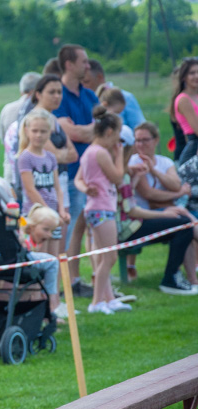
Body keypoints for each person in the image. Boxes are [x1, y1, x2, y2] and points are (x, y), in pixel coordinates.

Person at [53, 44, 98, 298]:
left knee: (83, 229)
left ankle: (77, 278)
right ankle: (67, 285)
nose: (88, 66)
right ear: (69, 64)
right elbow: (71, 133)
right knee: (70, 231)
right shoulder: (58, 95)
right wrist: (89, 130)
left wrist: (84, 131)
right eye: (84, 61)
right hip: (69, 174)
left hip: (92, 174)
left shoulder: (89, 95)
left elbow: (103, 131)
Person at [75, 107, 129, 314]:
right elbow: (117, 177)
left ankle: (108, 298)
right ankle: (97, 302)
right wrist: (120, 154)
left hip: (96, 207)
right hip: (102, 208)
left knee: (102, 256)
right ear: (109, 132)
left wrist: (85, 188)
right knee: (109, 257)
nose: (118, 138)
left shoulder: (89, 152)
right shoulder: (100, 153)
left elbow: (78, 178)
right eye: (118, 133)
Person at [129, 122, 196, 284]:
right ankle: (181, 279)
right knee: (186, 223)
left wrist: (154, 171)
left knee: (187, 224)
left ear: (156, 140)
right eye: (137, 140)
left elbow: (175, 183)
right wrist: (178, 194)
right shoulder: (133, 162)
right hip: (142, 217)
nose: (140, 144)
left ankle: (192, 279)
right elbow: (149, 194)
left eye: (145, 140)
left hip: (165, 210)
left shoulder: (164, 162)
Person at [16, 109, 68, 317]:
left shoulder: (51, 157)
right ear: (27, 131)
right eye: (35, 131)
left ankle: (53, 305)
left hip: (53, 217)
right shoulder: (24, 158)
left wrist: (61, 211)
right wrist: (48, 214)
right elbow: (30, 189)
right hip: (37, 217)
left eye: (43, 132)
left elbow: (57, 187)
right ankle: (38, 306)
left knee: (53, 261)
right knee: (40, 263)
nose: (39, 135)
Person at [20, 204, 64, 319]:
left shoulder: (33, 240)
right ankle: (51, 304)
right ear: (32, 226)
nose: (49, 235)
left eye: (51, 231)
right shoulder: (24, 241)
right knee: (52, 262)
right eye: (46, 229)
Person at [83, 59, 146, 130]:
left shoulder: (126, 98)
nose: (83, 86)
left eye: (86, 82)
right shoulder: (84, 100)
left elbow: (139, 128)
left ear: (99, 77)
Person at [171, 57, 198, 165]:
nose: (196, 76)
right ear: (184, 77)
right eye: (192, 73)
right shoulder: (183, 100)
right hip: (193, 149)